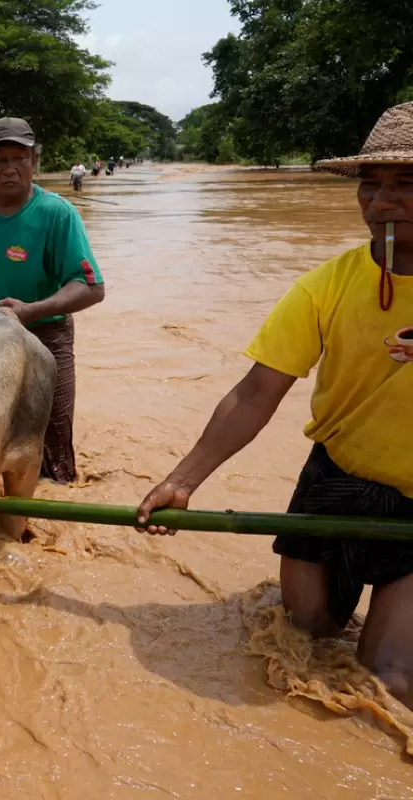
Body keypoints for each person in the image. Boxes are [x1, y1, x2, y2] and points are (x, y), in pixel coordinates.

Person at [136, 102, 413, 707]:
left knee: (390, 678)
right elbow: (256, 392)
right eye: (372, 183)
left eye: (406, 184)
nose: (382, 201)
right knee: (305, 635)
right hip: (336, 482)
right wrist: (181, 480)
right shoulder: (326, 286)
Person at [0, 117, 105, 484]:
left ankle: (53, 507)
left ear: (36, 162)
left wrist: (30, 311)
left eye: (19, 158)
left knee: (52, 443)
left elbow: (92, 288)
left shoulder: (56, 214)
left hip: (46, 337)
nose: (9, 169)